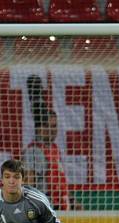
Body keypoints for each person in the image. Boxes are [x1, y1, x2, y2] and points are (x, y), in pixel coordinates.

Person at [22, 75, 78, 210]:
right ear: (40, 128)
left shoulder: (54, 148)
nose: (54, 130)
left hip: (62, 206)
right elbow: (29, 183)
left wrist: (71, 200)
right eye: (50, 126)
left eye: (55, 126)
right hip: (48, 208)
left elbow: (59, 178)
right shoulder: (34, 151)